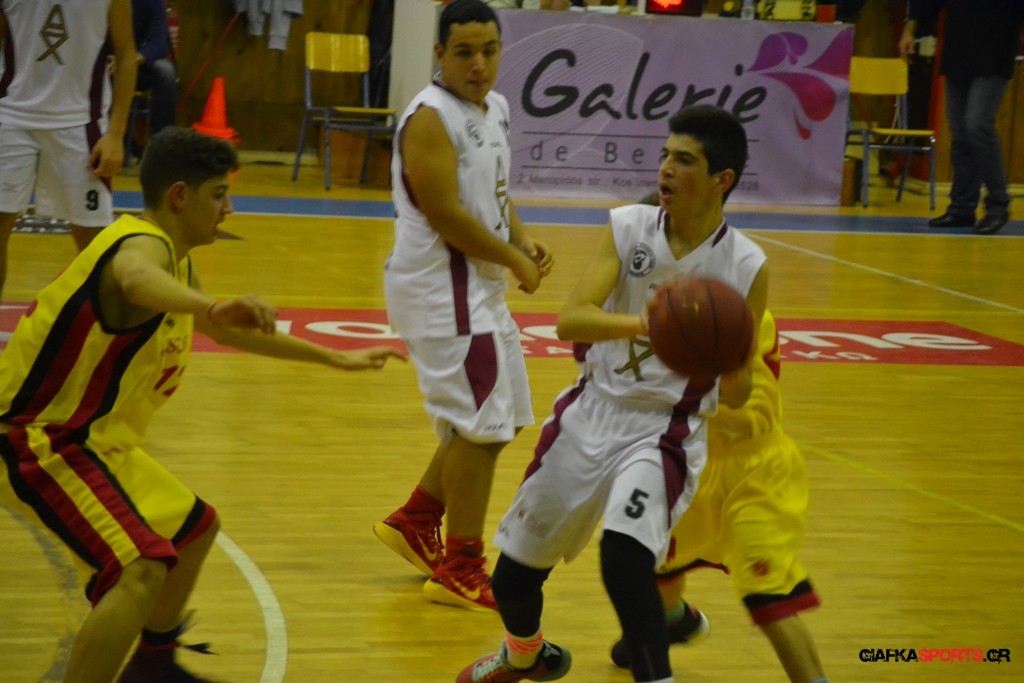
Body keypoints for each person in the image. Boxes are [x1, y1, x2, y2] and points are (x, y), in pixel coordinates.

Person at [0, 127, 405, 683]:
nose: (228, 208)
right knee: (140, 568)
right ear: (179, 197)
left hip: (94, 440)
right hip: (36, 437)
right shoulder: (141, 244)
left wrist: (336, 358)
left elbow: (232, 334)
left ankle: (154, 666)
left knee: (193, 529)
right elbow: (135, 279)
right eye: (219, 194)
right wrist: (211, 306)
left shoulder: (175, 260)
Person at [457, 104, 768, 683]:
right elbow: (570, 320)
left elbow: (736, 394)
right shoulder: (628, 228)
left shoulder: (746, 265)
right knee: (512, 581)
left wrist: (726, 360)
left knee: (623, 558)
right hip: (590, 413)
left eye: (684, 160)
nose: (666, 168)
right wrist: (654, 324)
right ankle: (526, 654)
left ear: (722, 179)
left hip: (665, 430)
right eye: (665, 156)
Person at [375, 0, 553, 613]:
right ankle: (461, 566)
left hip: (478, 288)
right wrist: (514, 260)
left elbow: (495, 192)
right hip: (443, 291)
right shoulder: (430, 118)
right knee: (482, 426)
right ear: (439, 55)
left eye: (489, 51)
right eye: (464, 52)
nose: (479, 64)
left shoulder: (494, 107)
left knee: (504, 418)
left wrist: (520, 238)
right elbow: (447, 215)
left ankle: (417, 518)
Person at [608, 309, 828, 683]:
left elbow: (734, 393)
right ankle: (672, 620)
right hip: (692, 459)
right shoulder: (658, 308)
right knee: (658, 564)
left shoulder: (743, 311)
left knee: (766, 596)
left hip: (757, 469)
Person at [0, 0, 137, 300]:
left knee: (95, 243)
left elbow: (127, 57)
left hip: (80, 123)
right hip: (10, 116)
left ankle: (101, 324)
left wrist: (116, 134)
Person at [899, 0, 1023, 235]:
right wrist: (910, 29)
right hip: (958, 50)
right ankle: (962, 208)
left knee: (977, 125)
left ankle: (998, 205)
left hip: (995, 52)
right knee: (960, 133)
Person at [131, 0, 180, 142]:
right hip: (101, 62)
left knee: (166, 71)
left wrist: (132, 60)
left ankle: (161, 142)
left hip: (133, 63)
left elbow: (159, 44)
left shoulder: (152, 2)